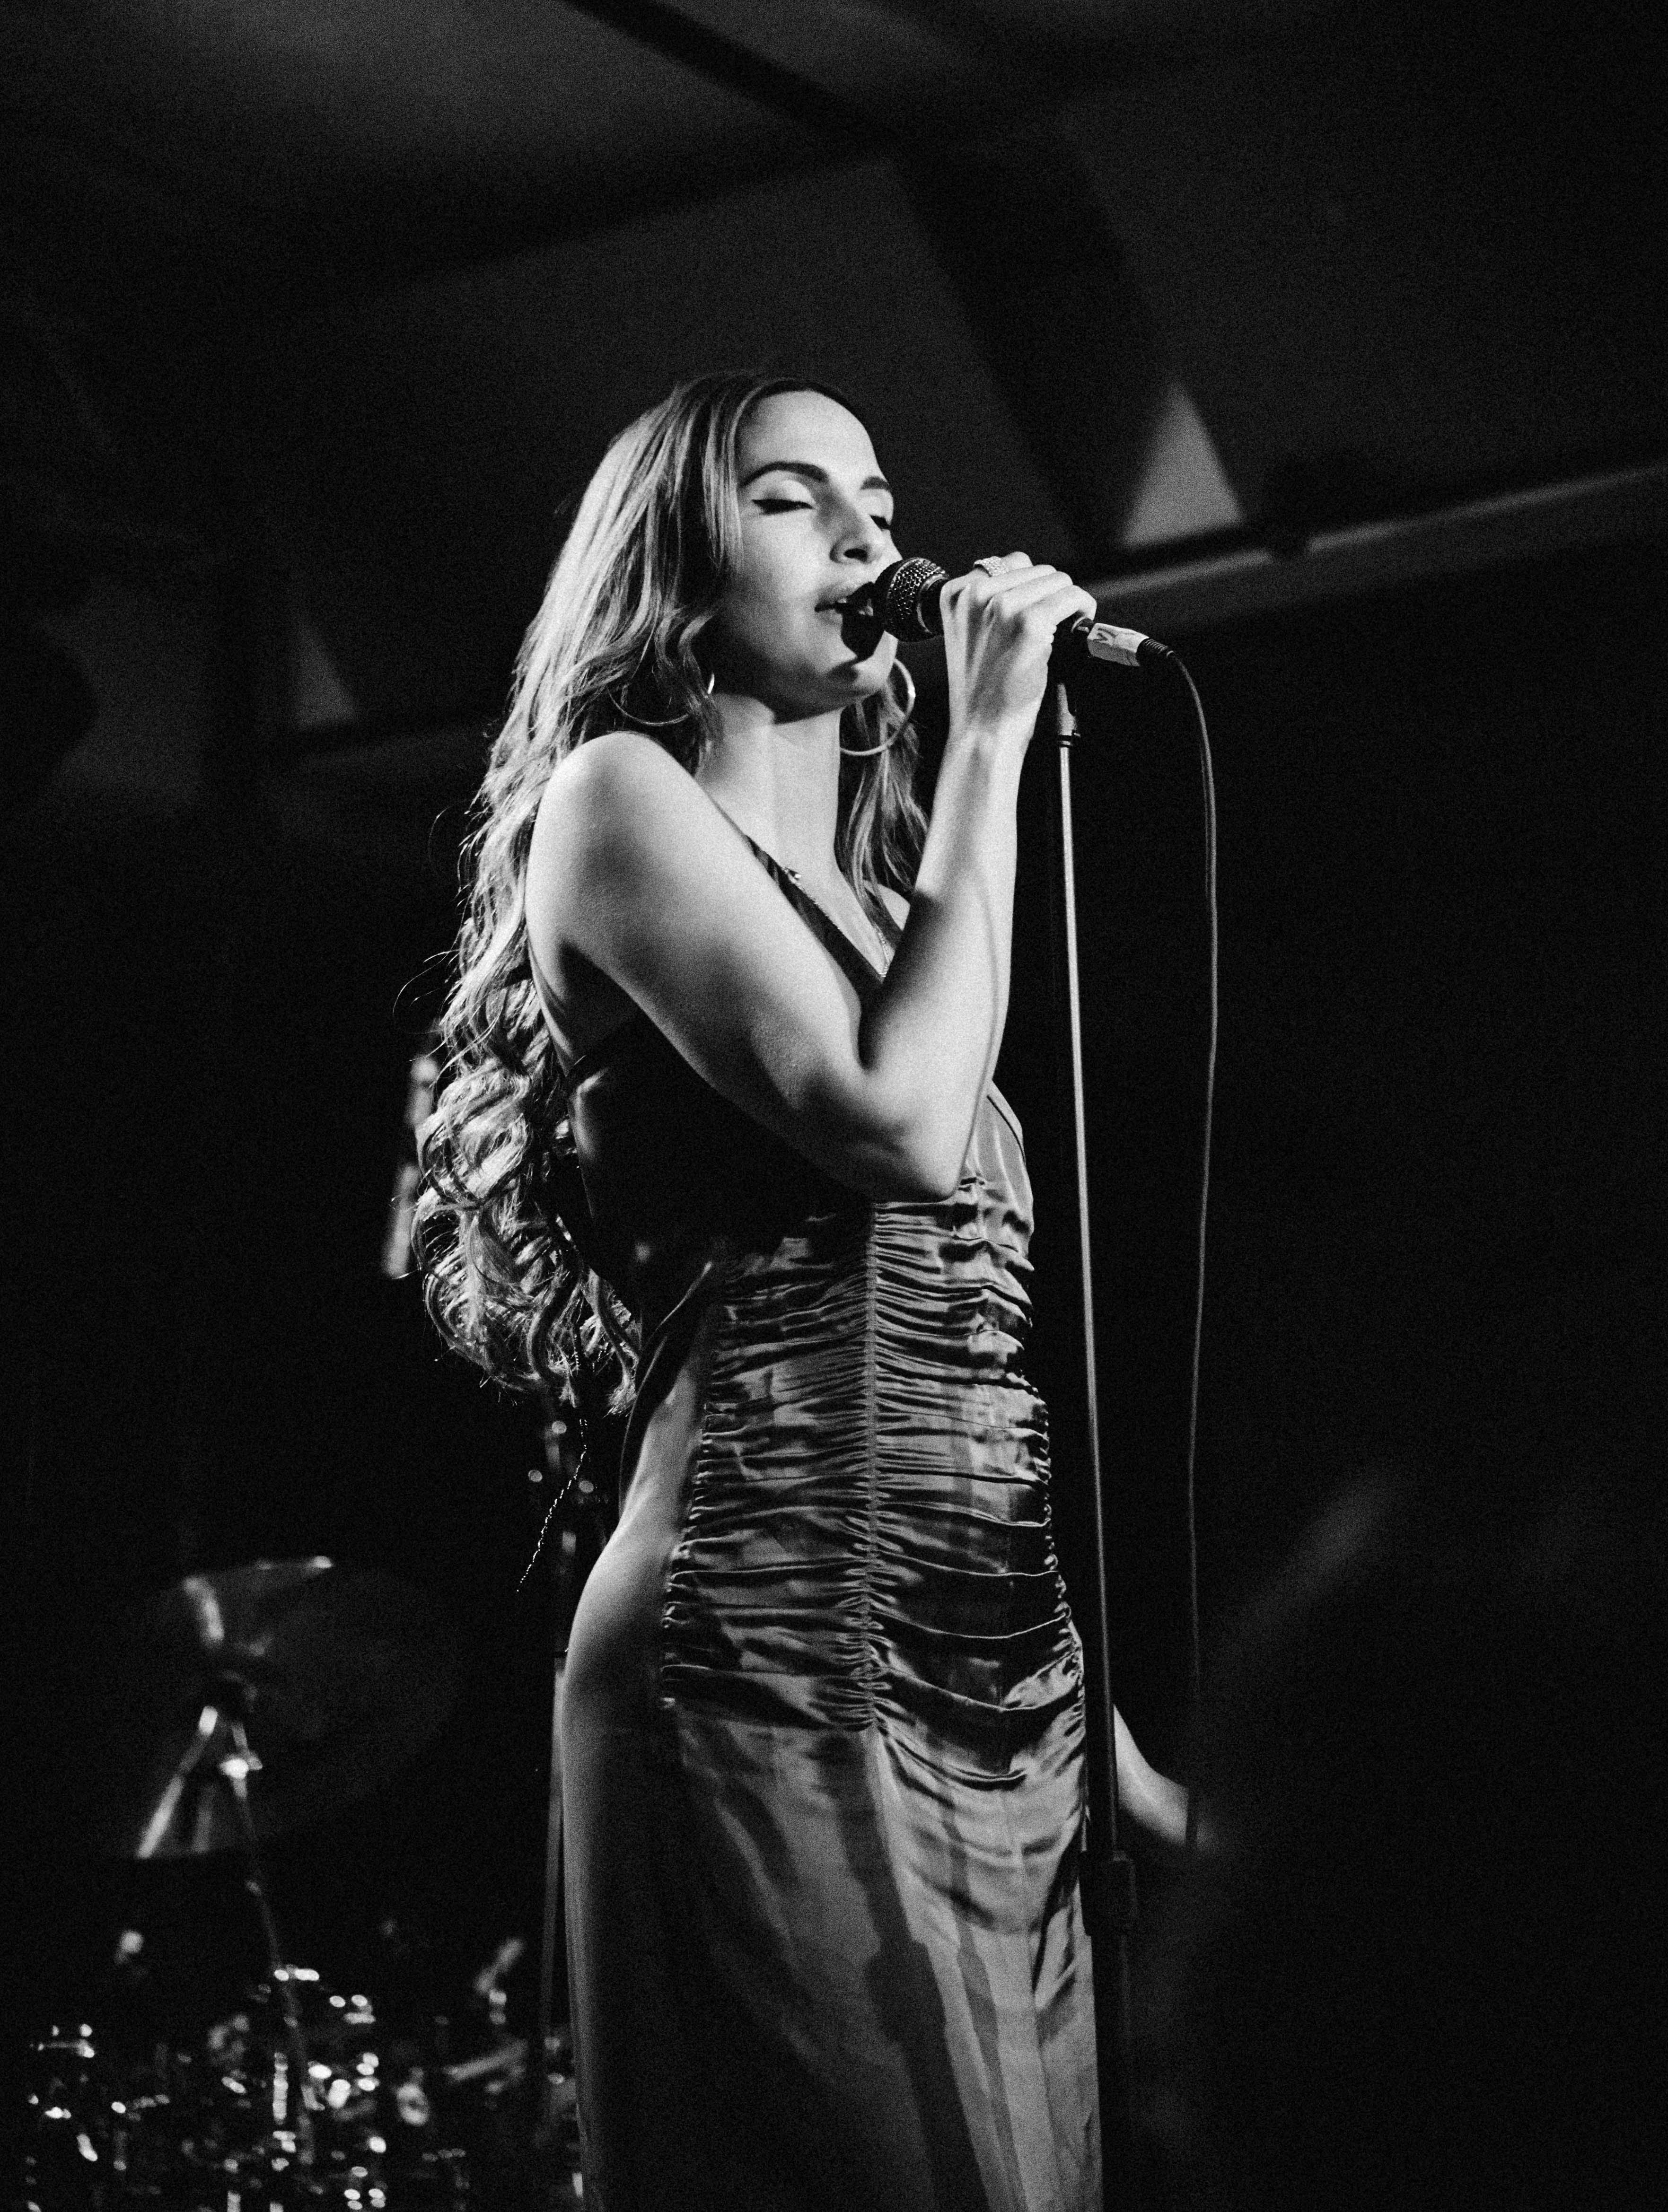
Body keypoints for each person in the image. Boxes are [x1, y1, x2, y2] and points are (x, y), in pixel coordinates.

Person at [418, 373, 1187, 2212]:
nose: (867, 538)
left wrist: (1108, 1748)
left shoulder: (883, 911)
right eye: (790, 499)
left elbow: (962, 1368)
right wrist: (990, 737)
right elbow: (898, 1128)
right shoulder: (617, 802)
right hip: (764, 1649)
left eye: (880, 499)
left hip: (996, 1688)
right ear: (672, 568)